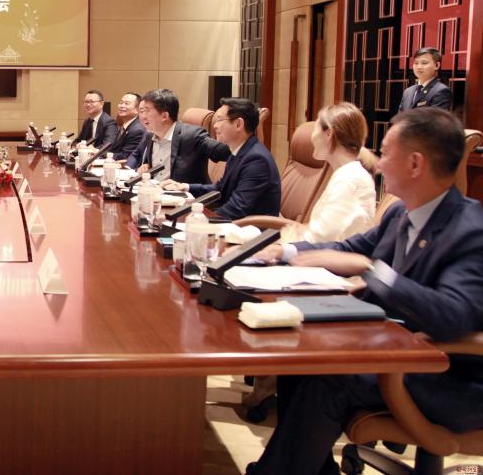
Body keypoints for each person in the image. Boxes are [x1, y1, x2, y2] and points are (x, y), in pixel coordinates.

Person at [248, 108, 483, 475]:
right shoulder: (401, 214)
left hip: (451, 379)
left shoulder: (471, 229)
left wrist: (373, 271)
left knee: (332, 376)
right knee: (301, 357)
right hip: (396, 352)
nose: (376, 162)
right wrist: (287, 252)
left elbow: (454, 316)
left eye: (385, 153)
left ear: (415, 164)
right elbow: (351, 249)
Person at [164, 97, 280, 220]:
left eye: (219, 120)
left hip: (251, 228)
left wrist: (198, 220)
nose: (215, 126)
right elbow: (220, 189)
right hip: (235, 223)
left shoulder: (257, 160)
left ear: (238, 124)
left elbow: (237, 209)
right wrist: (185, 187)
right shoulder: (238, 151)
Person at [279, 102, 376, 244]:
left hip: (324, 257)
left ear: (329, 133)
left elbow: (319, 241)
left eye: (315, 129)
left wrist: (283, 243)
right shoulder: (347, 174)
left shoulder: (349, 180)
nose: (312, 137)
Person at [124, 88, 229, 184]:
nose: (142, 117)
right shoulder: (150, 136)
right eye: (141, 111)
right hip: (156, 193)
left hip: (186, 196)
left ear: (164, 116)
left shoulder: (192, 136)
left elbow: (228, 152)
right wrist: (145, 168)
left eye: (146, 111)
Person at [398, 47, 452, 112]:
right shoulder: (408, 91)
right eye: (416, 63)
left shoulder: (441, 90)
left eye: (424, 63)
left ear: (437, 65)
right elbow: (400, 116)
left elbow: (435, 117)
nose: (419, 67)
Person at [109, 92, 147, 161]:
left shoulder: (137, 130)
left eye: (126, 103)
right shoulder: (125, 125)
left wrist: (102, 154)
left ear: (137, 109)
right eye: (121, 103)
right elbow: (115, 148)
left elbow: (125, 156)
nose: (122, 106)